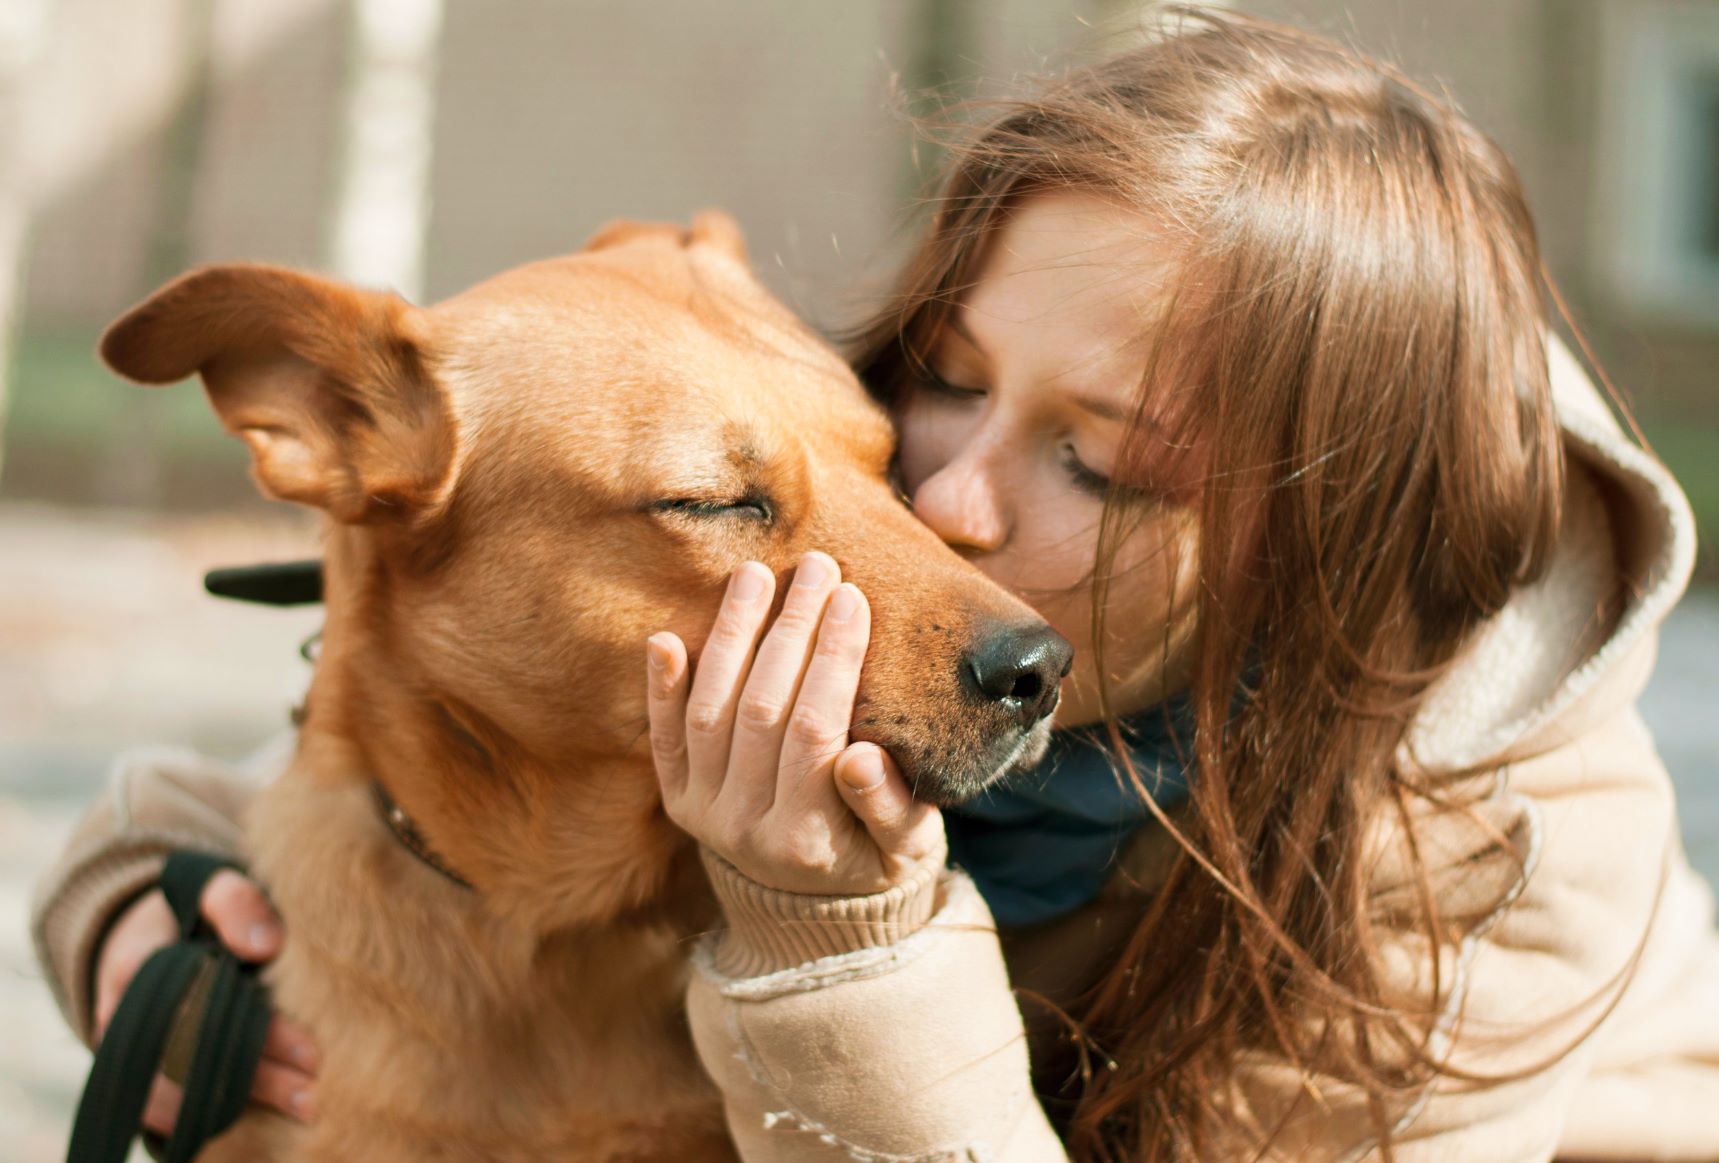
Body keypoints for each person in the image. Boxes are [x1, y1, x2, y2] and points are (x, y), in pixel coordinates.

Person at [33, 8, 1719, 1160]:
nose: (946, 512)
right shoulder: (794, 575)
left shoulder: (1496, 861)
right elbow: (372, 767)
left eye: (1107, 465)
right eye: (939, 377)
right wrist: (127, 905)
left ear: (1329, 541)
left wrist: (831, 923)